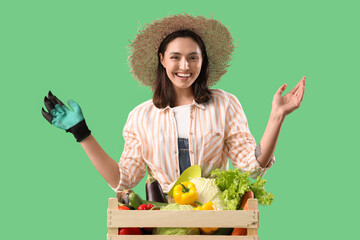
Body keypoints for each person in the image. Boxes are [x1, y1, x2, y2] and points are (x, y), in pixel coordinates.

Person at [41, 14, 305, 194]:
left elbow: (251, 168)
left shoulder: (226, 104)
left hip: (215, 220)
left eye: (193, 57)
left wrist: (276, 116)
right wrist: (81, 132)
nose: (184, 66)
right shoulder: (140, 117)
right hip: (164, 224)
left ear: (203, 62)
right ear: (162, 60)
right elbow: (123, 180)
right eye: (175, 57)